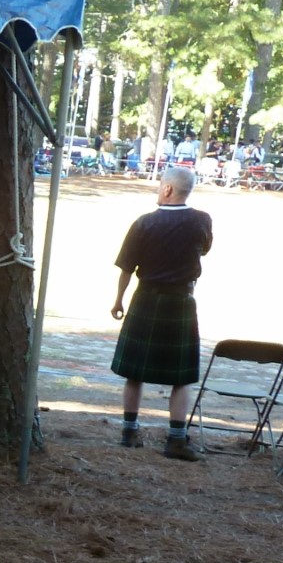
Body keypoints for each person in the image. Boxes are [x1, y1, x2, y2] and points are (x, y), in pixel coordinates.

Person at [108, 166, 214, 461]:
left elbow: (127, 268)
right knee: (181, 377)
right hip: (181, 300)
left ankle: (129, 433)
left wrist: (118, 300)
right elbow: (203, 250)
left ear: (168, 189)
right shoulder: (201, 220)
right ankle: (176, 440)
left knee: (134, 371)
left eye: (160, 185)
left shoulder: (144, 223)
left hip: (146, 299)